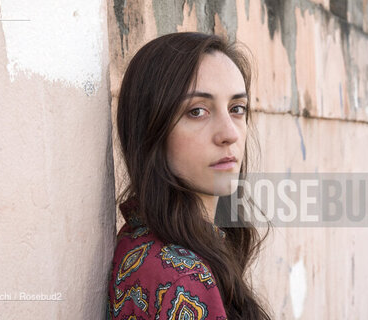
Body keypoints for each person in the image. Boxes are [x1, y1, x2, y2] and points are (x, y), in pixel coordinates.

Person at [106, 32, 273, 320]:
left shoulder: (143, 240)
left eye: (237, 109)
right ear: (151, 131)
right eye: (197, 111)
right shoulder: (183, 279)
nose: (230, 134)